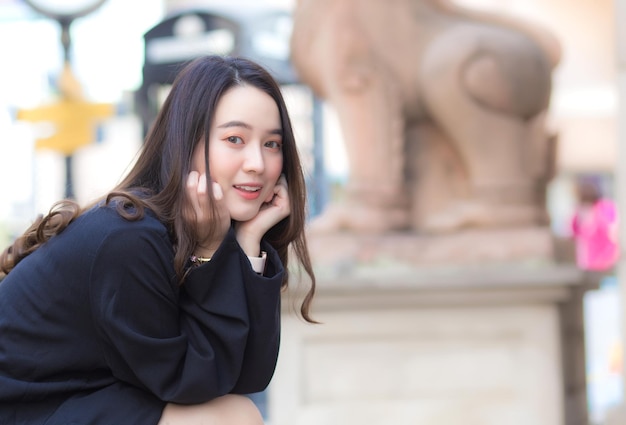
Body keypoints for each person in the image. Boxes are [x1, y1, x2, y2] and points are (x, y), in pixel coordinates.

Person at [0, 55, 316, 425]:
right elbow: (193, 383)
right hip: (28, 407)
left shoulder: (206, 228)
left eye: (272, 144)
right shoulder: (128, 239)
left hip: (89, 393)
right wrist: (209, 254)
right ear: (186, 143)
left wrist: (246, 247)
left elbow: (249, 375)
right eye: (235, 139)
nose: (258, 164)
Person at [570, 177, 619, 272]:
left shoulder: (604, 208)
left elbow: (612, 231)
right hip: (590, 262)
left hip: (606, 260)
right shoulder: (580, 212)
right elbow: (574, 232)